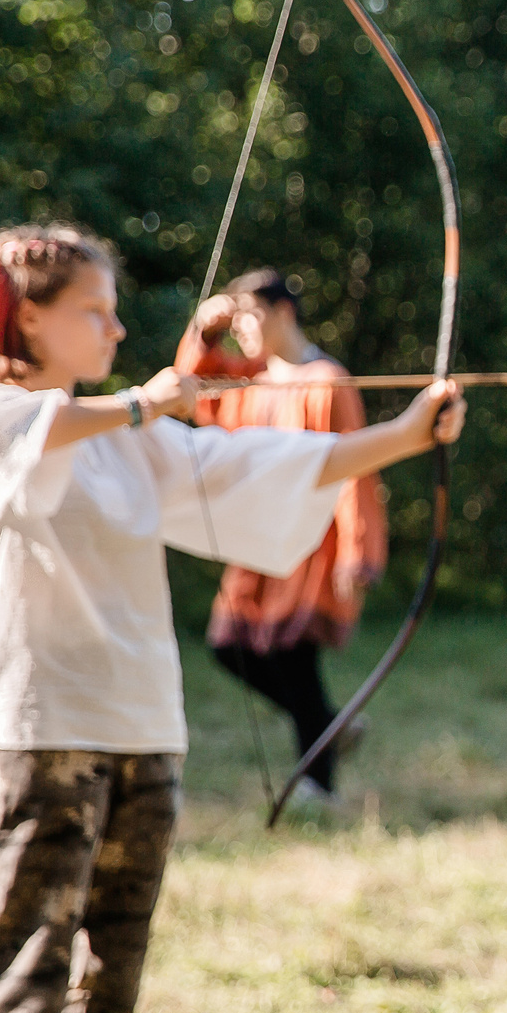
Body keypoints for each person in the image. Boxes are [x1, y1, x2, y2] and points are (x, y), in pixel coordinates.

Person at [0, 222, 467, 1013]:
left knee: (106, 975)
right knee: (21, 972)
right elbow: (6, 447)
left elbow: (251, 467)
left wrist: (402, 437)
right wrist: (141, 402)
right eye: (93, 309)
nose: (117, 327)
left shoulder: (127, 435)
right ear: (26, 318)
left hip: (138, 730)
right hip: (33, 735)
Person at [177, 269, 385, 806]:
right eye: (236, 321)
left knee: (295, 659)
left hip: (311, 548)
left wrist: (358, 552)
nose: (242, 329)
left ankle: (318, 786)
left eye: (250, 316)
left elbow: (355, 466)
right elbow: (189, 394)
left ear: (283, 312)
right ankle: (332, 728)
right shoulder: (251, 380)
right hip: (260, 542)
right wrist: (204, 331)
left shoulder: (325, 379)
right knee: (229, 646)